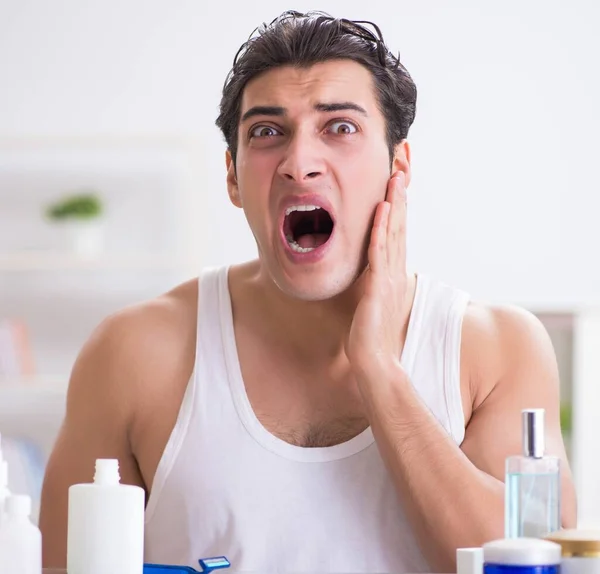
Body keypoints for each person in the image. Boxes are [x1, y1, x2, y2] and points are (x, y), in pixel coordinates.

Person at [39, 10, 577, 573]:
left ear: (399, 165)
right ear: (232, 176)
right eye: (267, 132)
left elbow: (521, 566)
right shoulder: (133, 353)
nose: (299, 164)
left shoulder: (497, 350)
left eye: (340, 127)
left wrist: (378, 369)